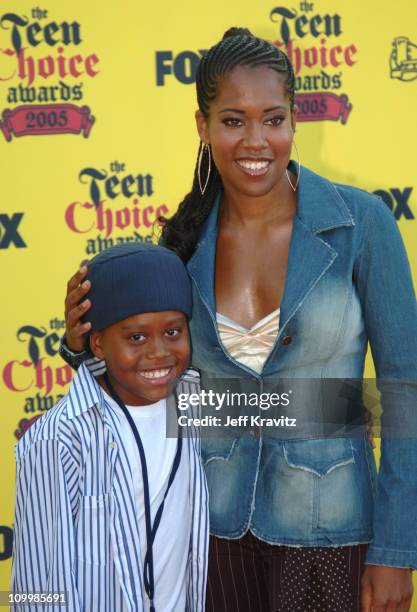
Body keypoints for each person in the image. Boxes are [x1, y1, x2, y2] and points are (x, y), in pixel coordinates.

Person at [60, 28, 417, 612]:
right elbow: (151, 383)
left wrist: (398, 549)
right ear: (202, 127)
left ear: (294, 121)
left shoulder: (361, 225)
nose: (256, 140)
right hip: (206, 530)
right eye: (233, 120)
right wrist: (84, 347)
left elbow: (405, 392)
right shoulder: (180, 243)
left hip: (329, 531)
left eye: (272, 119)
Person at [12, 243, 209, 612]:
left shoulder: (195, 403)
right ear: (98, 343)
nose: (158, 352)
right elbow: (34, 585)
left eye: (173, 332)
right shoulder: (57, 440)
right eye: (136, 337)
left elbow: (309, 410)